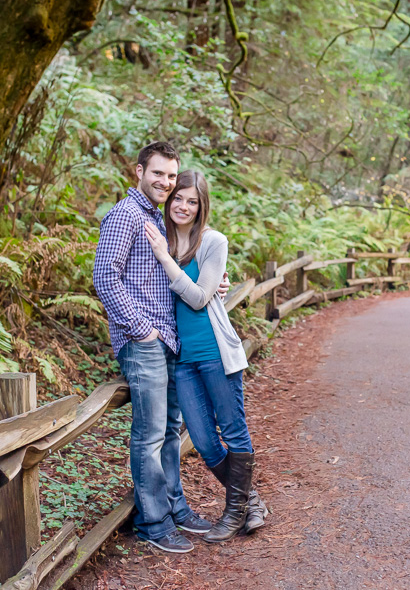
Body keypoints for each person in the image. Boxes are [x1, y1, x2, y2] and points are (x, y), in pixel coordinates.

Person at [93, 142, 217, 554]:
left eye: (170, 175)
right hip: (143, 341)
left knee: (169, 430)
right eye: (158, 174)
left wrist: (217, 280)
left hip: (170, 339)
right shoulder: (124, 215)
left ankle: (175, 507)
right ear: (139, 172)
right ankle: (153, 523)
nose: (164, 182)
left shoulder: (157, 218)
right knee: (148, 435)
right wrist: (141, 329)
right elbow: (105, 278)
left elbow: (171, 269)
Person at [143, 169, 268, 543]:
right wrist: (169, 259)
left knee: (232, 429)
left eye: (192, 201)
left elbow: (200, 298)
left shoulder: (213, 241)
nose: (183, 205)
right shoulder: (159, 237)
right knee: (203, 439)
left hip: (216, 352)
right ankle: (252, 501)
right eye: (178, 197)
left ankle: (232, 514)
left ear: (201, 207)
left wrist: (168, 261)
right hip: (183, 359)